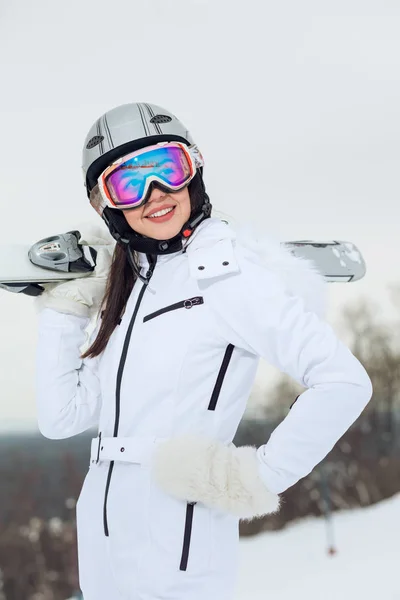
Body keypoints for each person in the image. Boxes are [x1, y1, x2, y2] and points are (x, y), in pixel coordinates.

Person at [35, 102, 373, 600]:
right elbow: (60, 418)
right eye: (128, 183)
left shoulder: (227, 275)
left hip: (181, 545)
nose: (156, 194)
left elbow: (345, 382)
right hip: (103, 541)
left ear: (193, 169)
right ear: (102, 204)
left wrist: (254, 475)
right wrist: (67, 308)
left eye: (167, 169)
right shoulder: (131, 286)